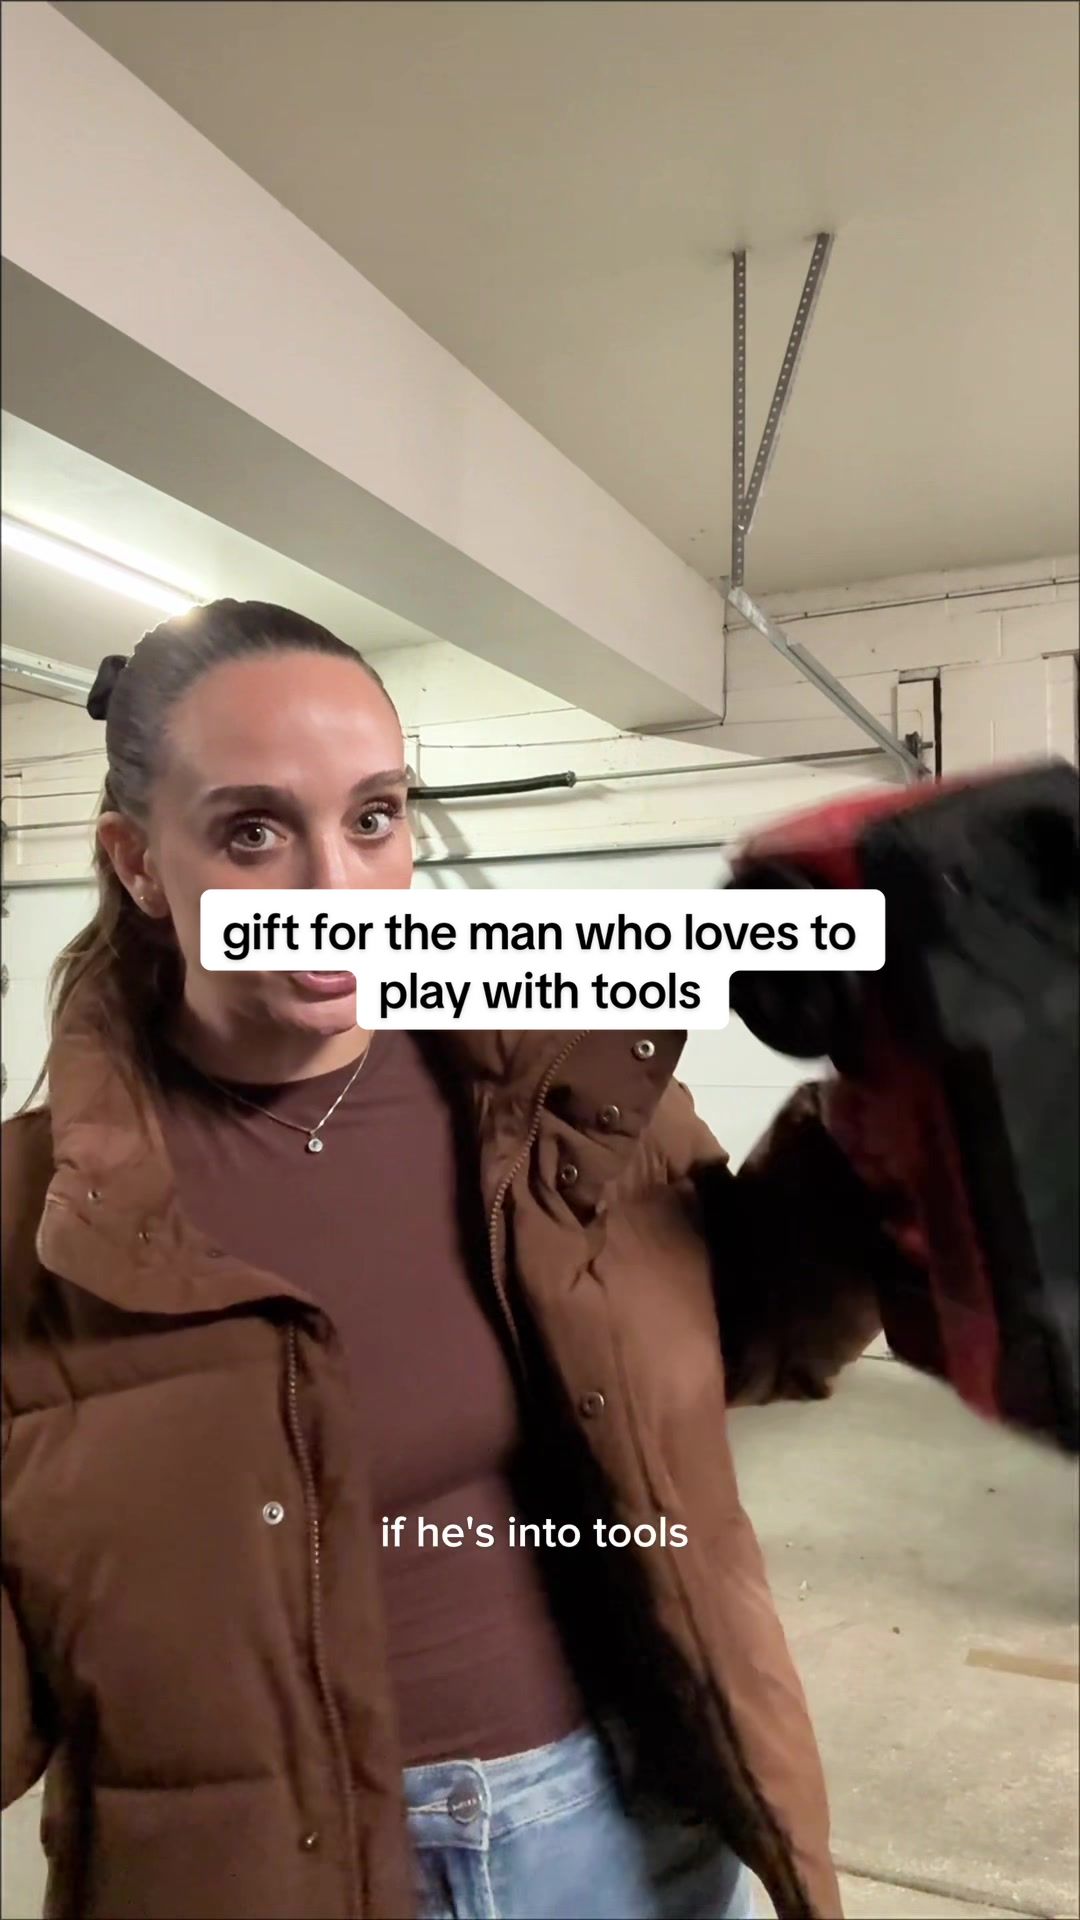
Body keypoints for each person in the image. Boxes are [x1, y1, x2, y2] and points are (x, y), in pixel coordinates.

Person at [1, 601, 911, 1920]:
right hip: (269, 1881)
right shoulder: (37, 1222)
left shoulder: (559, 1096)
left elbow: (740, 1338)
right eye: (254, 833)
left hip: (627, 1836)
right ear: (139, 864)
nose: (335, 891)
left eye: (374, 818)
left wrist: (890, 1128)